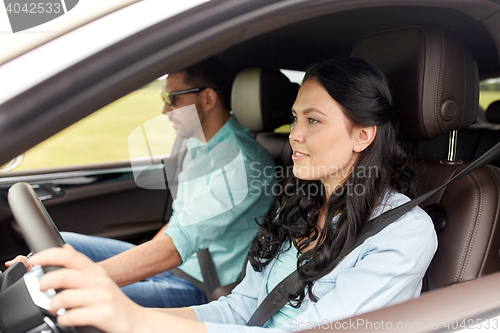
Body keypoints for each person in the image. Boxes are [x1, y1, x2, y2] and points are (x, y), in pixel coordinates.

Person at [28, 57, 437, 332]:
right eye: (296, 118)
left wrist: (135, 320)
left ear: (362, 135)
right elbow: (238, 310)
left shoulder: (403, 233)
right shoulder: (297, 210)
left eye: (313, 120)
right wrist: (139, 321)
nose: (294, 134)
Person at [7, 58, 276, 308]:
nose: (164, 109)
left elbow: (174, 248)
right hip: (173, 265)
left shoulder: (241, 163)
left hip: (196, 284)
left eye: (172, 98)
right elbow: (177, 225)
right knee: (59, 244)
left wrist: (83, 276)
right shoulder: (199, 144)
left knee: (66, 296)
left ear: (207, 98)